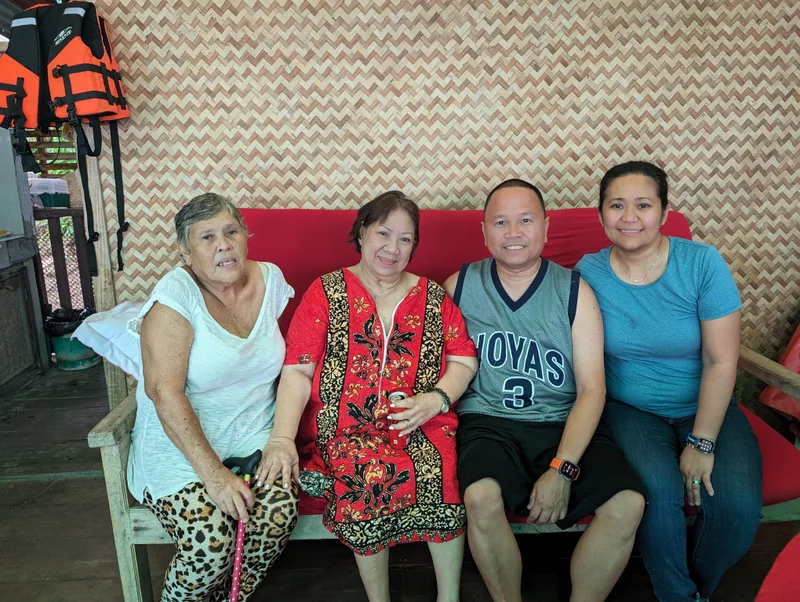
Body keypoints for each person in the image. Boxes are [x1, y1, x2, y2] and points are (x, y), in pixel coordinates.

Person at [257, 191, 478, 602]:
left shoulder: (432, 298)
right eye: (383, 233)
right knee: (365, 473)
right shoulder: (326, 292)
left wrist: (436, 400)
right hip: (344, 427)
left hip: (420, 420)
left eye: (406, 239)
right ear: (361, 233)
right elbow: (298, 370)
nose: (392, 249)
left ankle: (449, 597)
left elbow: (464, 359)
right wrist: (282, 439)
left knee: (440, 467)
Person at [444, 179, 646, 602]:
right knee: (480, 494)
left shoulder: (575, 291)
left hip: (561, 421)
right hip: (488, 424)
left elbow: (593, 390)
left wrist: (562, 468)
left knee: (627, 503)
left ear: (546, 227)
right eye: (501, 222)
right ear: (484, 232)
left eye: (525, 220)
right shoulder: (458, 287)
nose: (513, 232)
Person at [576, 161, 763, 602]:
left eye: (643, 205)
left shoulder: (701, 264)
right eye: (616, 205)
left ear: (663, 212)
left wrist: (702, 441)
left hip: (705, 405)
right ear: (600, 214)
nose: (629, 217)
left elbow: (721, 361)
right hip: (630, 409)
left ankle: (692, 586)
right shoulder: (589, 272)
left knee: (735, 507)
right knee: (658, 496)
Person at [127, 193, 298, 601]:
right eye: (207, 237)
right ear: (185, 252)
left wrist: (280, 438)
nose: (223, 244)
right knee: (210, 544)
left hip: (251, 436)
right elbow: (163, 392)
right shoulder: (175, 298)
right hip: (181, 449)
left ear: (245, 238)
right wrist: (214, 475)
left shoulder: (270, 280)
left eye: (230, 231)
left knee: (276, 516)